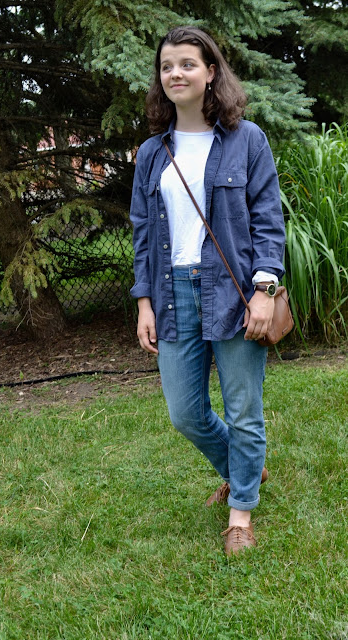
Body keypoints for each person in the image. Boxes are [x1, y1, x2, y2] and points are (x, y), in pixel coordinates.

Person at [129, 26, 286, 555]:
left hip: (235, 289)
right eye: (166, 66)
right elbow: (143, 233)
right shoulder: (152, 153)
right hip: (172, 292)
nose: (175, 73)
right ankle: (247, 468)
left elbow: (268, 221)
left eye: (187, 64)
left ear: (211, 72)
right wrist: (144, 302)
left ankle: (241, 513)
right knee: (185, 413)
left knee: (243, 409)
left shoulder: (248, 140)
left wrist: (264, 290)